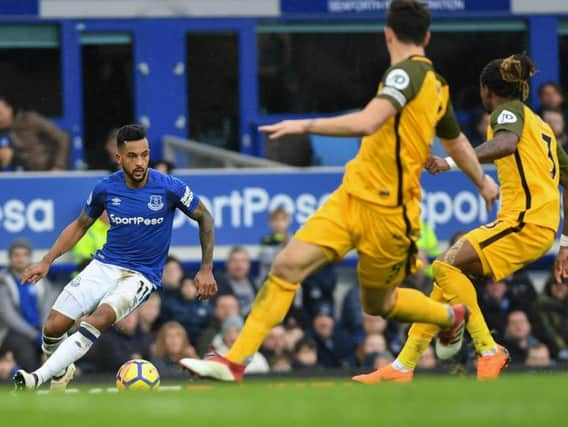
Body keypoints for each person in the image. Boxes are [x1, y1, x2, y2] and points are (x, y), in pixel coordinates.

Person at [179, 0, 497, 382]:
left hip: (389, 213)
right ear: (426, 36)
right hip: (350, 197)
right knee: (285, 267)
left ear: (387, 33)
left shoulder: (406, 76)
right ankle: (234, 361)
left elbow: (368, 122)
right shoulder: (438, 86)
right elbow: (458, 142)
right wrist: (482, 181)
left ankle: (450, 316)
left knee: (380, 304)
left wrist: (304, 126)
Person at [362, 52, 568, 383]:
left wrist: (452, 161)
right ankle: (403, 366)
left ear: (487, 90)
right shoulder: (542, 126)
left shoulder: (507, 112)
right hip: (538, 227)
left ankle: (488, 349)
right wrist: (565, 244)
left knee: (443, 266)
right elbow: (567, 179)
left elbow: (506, 143)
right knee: (449, 276)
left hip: (522, 223)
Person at [13, 124, 216, 391]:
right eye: (133, 156)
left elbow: (205, 217)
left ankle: (36, 378)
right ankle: (61, 370)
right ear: (119, 158)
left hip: (141, 275)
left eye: (145, 154)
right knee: (53, 326)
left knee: (99, 318)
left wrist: (206, 267)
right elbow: (80, 225)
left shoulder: (169, 188)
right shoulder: (105, 189)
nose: (141, 161)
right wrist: (46, 261)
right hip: (105, 265)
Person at [0, 240, 57, 372]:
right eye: (16, 255)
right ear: (10, 258)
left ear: (30, 257)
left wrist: (44, 332)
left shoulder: (42, 281)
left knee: (60, 342)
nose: (20, 259)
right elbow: (9, 317)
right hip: (11, 332)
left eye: (24, 255)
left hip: (39, 329)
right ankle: (28, 382)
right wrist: (35, 336)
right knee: (26, 350)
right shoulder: (3, 282)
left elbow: (47, 308)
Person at [0, 95, 69, 171]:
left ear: (9, 110)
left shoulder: (29, 120)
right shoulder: (3, 132)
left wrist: (59, 166)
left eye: (0, 113)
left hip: (43, 174)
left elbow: (62, 137)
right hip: (15, 178)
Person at [216, 247, 257, 317]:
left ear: (249, 264)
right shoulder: (217, 284)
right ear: (227, 264)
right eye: (234, 261)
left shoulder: (256, 283)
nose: (238, 265)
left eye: (243, 261)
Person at [256, 207, 290, 286]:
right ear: (270, 222)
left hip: (289, 281)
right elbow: (268, 260)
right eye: (275, 220)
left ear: (288, 222)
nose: (279, 223)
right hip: (269, 282)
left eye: (282, 220)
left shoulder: (293, 239)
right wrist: (283, 246)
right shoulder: (266, 240)